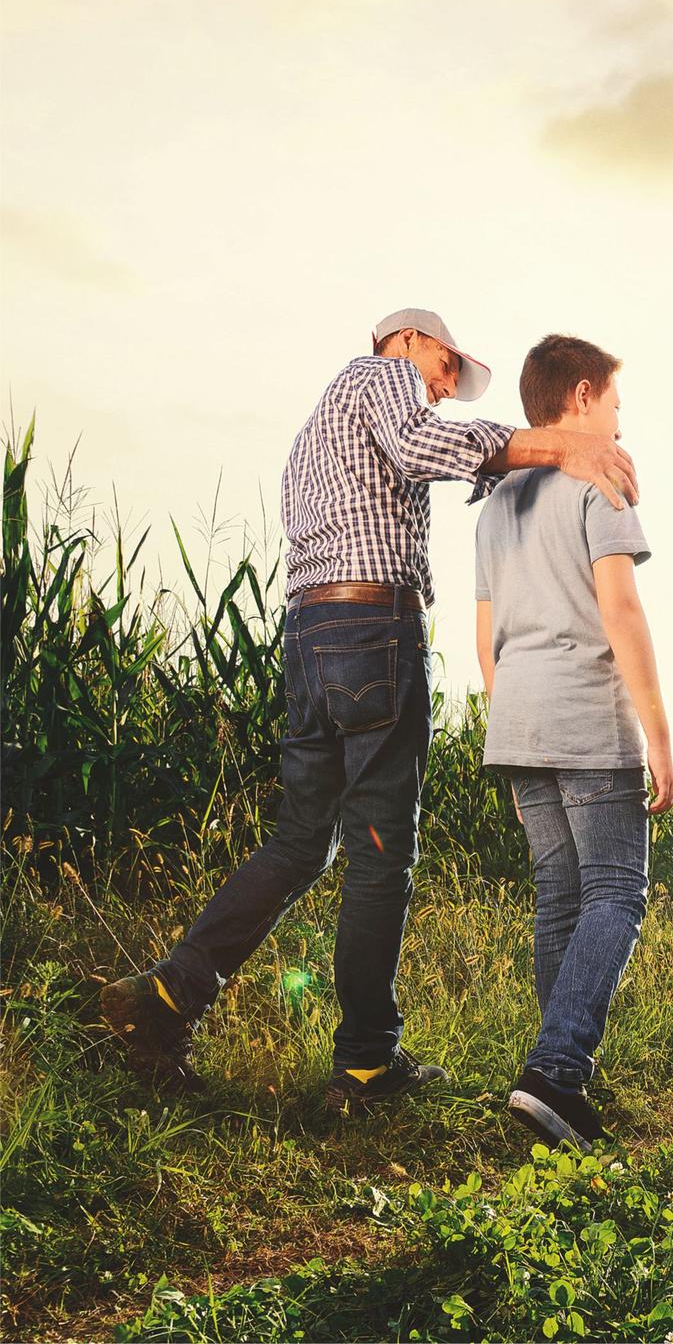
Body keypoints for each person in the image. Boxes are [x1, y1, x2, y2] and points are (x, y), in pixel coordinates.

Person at [100, 308, 639, 1112]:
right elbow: (423, 447)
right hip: (372, 635)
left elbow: (435, 469)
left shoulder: (320, 427)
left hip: (310, 634)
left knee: (299, 843)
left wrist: (514, 468)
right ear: (410, 341)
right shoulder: (379, 378)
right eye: (448, 365)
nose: (447, 386)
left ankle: (167, 997)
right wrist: (563, 444)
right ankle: (364, 1064)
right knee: (381, 853)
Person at [474, 334, 673, 1151]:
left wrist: (512, 718)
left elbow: (486, 634)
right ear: (584, 395)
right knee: (618, 892)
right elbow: (621, 613)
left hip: (517, 719)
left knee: (560, 898)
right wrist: (658, 736)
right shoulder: (600, 479)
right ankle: (555, 1069)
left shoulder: (496, 502)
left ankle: (549, 1089)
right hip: (587, 715)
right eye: (617, 405)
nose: (621, 423)